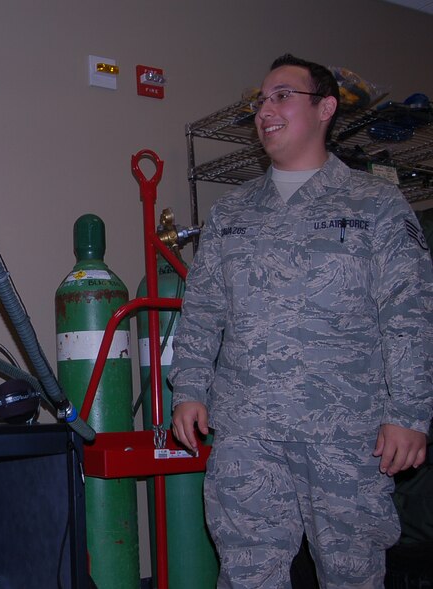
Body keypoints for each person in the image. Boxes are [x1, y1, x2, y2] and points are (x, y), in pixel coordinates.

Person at [170, 53, 433, 588]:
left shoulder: (376, 204)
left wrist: (410, 413)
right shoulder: (230, 214)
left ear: (325, 108)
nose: (265, 109)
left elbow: (408, 313)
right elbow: (201, 311)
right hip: (248, 432)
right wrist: (188, 390)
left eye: (282, 95)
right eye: (259, 101)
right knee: (247, 574)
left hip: (346, 433)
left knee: (353, 575)